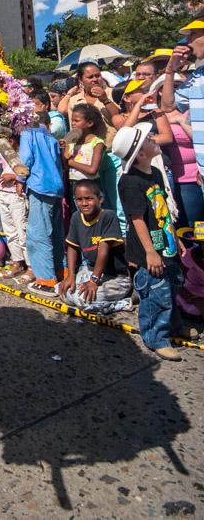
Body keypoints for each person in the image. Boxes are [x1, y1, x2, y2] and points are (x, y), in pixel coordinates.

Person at [113, 123, 190, 361]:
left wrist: (174, 236)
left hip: (165, 242)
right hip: (149, 250)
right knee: (156, 292)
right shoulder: (130, 182)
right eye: (149, 138)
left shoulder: (155, 174)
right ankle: (156, 336)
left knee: (172, 285)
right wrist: (150, 252)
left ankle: (173, 327)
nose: (155, 138)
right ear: (141, 153)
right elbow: (136, 218)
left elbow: (163, 209)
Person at [59, 179, 132, 314]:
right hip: (90, 271)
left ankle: (124, 302)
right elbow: (72, 247)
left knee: (82, 300)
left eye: (89, 198)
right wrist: (70, 275)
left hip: (114, 277)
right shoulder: (76, 217)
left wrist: (94, 281)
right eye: (79, 199)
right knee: (62, 290)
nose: (84, 203)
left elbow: (103, 251)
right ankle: (93, 298)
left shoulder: (108, 216)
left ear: (100, 199)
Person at [18, 112, 65, 296]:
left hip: (39, 185)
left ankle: (46, 280)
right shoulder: (51, 138)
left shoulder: (28, 134)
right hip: (56, 186)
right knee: (56, 232)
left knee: (38, 233)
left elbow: (25, 159)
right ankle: (61, 271)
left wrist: (20, 180)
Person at [161, 15, 204, 190]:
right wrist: (170, 70)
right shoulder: (197, 76)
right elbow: (168, 106)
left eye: (192, 34)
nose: (187, 41)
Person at [0, 145, 30, 280]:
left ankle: (30, 266)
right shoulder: (4, 151)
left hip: (17, 195)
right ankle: (17, 261)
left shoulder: (24, 151)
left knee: (22, 231)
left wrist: (13, 176)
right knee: (10, 232)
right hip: (3, 193)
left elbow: (29, 170)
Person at [61, 103, 107, 193]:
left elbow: (92, 170)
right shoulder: (73, 141)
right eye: (72, 121)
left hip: (90, 185)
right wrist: (64, 147)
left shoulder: (97, 143)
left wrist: (70, 162)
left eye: (76, 121)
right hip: (73, 184)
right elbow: (65, 163)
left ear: (89, 123)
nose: (73, 123)